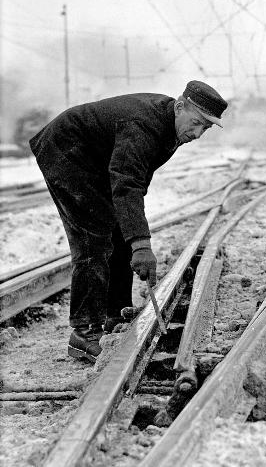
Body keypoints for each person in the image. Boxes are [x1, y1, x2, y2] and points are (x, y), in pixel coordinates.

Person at [30, 80, 228, 362]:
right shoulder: (143, 125)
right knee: (93, 236)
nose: (197, 133)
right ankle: (83, 332)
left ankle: (116, 313)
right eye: (196, 123)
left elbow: (135, 179)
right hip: (67, 150)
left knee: (118, 229)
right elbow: (127, 183)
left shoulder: (170, 125)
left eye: (205, 128)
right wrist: (141, 243)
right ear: (180, 106)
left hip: (96, 159)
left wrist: (132, 234)